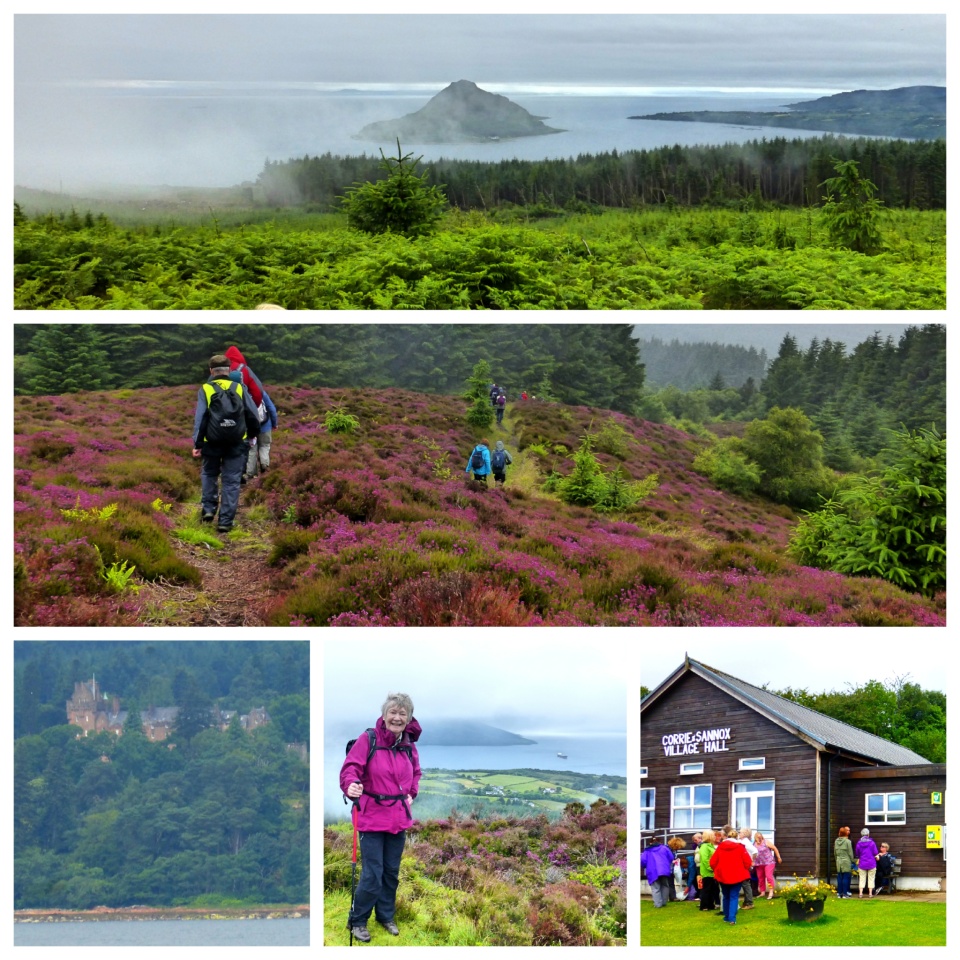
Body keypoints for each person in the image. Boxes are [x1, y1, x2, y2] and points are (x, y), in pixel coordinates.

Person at [340, 693, 421, 943]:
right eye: (393, 712)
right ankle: (357, 920)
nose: (397, 717)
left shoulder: (408, 744)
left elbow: (416, 773)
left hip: (398, 818)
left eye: (402, 713)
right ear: (384, 715)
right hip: (372, 817)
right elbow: (350, 769)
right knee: (372, 874)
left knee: (391, 872)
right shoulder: (369, 739)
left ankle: (385, 916)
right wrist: (351, 785)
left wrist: (411, 794)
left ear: (408, 718)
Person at [192, 354, 260, 533]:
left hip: (210, 441)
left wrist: (197, 444)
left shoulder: (205, 389)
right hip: (236, 441)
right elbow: (252, 413)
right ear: (229, 371)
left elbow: (200, 418)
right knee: (231, 481)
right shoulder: (238, 387)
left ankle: (208, 509)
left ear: (211, 371)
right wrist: (252, 436)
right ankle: (225, 521)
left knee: (209, 474)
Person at [710, 827, 753, 925]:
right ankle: (732, 918)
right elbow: (747, 862)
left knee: (726, 896)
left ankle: (726, 916)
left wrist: (717, 870)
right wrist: (743, 868)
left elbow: (712, 862)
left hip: (722, 875)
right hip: (737, 875)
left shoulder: (720, 847)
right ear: (737, 837)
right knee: (734, 896)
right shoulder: (740, 847)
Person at [640, 837, 675, 908]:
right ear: (659, 842)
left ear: (650, 843)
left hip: (653, 871)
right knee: (665, 886)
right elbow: (671, 857)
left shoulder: (647, 851)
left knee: (656, 888)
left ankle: (658, 904)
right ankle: (664, 902)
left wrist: (644, 866)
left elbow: (643, 861)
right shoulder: (664, 848)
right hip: (664, 870)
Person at [752, 832, 781, 899]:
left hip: (769, 862)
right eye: (758, 837)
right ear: (755, 838)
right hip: (759, 863)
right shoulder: (754, 844)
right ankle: (762, 892)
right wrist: (752, 861)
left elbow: (775, 848)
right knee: (760, 878)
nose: (759, 838)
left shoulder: (766, 842)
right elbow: (752, 853)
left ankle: (771, 892)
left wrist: (779, 857)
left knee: (768, 876)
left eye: (760, 837)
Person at [697, 829, 719, 912]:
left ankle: (710, 904)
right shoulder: (705, 846)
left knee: (712, 889)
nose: (714, 837)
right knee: (706, 889)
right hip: (707, 871)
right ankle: (704, 905)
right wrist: (711, 868)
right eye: (713, 835)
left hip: (712, 871)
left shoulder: (710, 846)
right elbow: (705, 860)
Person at [736, 827, 758, 909]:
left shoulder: (745, 842)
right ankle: (746, 902)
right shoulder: (743, 841)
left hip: (745, 865)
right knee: (745, 883)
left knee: (745, 884)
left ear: (744, 834)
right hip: (744, 864)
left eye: (740, 832)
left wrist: (752, 861)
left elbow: (755, 851)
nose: (739, 834)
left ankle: (749, 902)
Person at [855, 828, 879, 898]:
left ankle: (860, 893)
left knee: (862, 878)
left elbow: (857, 853)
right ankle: (870, 894)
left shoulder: (859, 843)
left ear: (861, 835)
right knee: (871, 878)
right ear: (868, 834)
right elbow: (875, 852)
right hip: (871, 863)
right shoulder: (872, 843)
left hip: (862, 863)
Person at [834, 826, 855, 899]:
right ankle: (845, 894)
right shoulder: (848, 842)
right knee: (846, 877)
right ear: (846, 833)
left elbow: (835, 853)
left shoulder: (836, 841)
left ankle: (839, 893)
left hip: (838, 861)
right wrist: (853, 861)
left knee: (839, 877)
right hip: (846, 861)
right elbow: (850, 853)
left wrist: (837, 859)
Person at [666, 837, 686, 901]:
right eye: (679, 846)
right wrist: (672, 861)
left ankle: (673, 897)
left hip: (671, 869)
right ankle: (670, 897)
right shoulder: (667, 849)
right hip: (666, 869)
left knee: (671, 883)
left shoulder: (674, 850)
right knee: (667, 883)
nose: (679, 848)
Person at [684, 833, 702, 901]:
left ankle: (701, 895)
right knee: (698, 880)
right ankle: (700, 895)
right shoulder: (696, 846)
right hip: (698, 865)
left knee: (699, 881)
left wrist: (688, 887)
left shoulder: (701, 846)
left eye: (695, 840)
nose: (694, 842)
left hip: (701, 866)